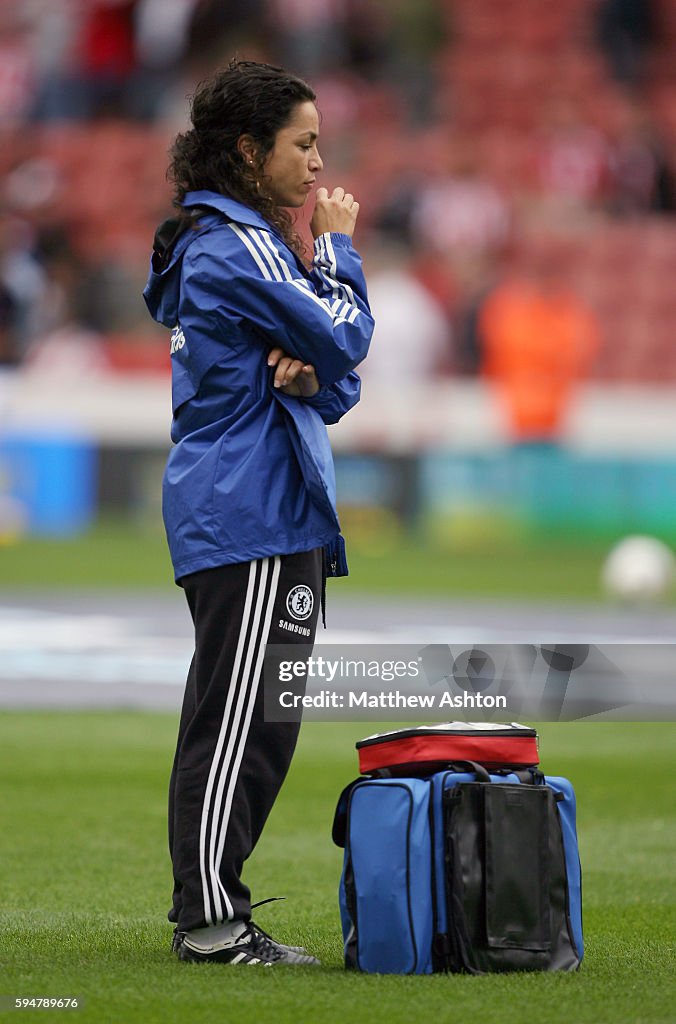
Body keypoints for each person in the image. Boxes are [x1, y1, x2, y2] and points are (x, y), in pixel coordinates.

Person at [143, 59, 373, 967]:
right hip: (248, 509)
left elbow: (334, 376)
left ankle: (218, 910)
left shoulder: (254, 242)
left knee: (263, 722)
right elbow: (350, 332)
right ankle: (209, 924)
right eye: (302, 143)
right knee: (236, 721)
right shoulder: (235, 246)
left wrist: (316, 370)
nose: (319, 165)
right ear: (249, 151)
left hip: (278, 507)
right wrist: (339, 252)